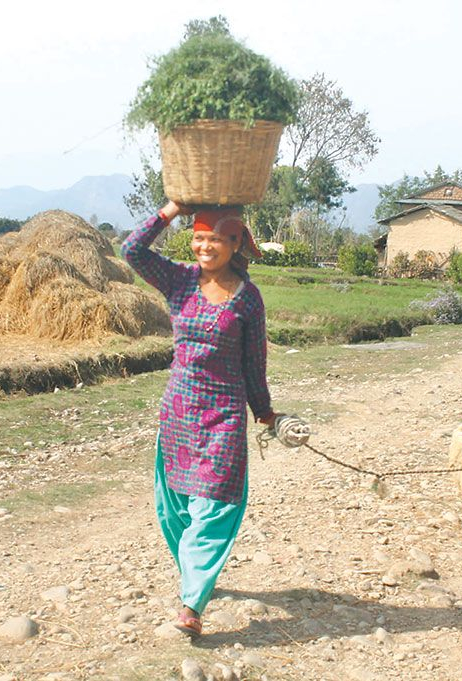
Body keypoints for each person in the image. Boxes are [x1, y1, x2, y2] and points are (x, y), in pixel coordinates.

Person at [121, 200, 278, 636]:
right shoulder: (179, 280)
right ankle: (196, 573)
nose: (204, 247)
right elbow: (131, 251)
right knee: (175, 509)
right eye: (198, 238)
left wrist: (263, 410)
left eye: (214, 239)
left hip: (224, 415)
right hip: (178, 411)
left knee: (214, 507)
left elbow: (254, 362)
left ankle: (191, 605)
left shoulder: (248, 299)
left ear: (235, 243)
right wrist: (171, 210)